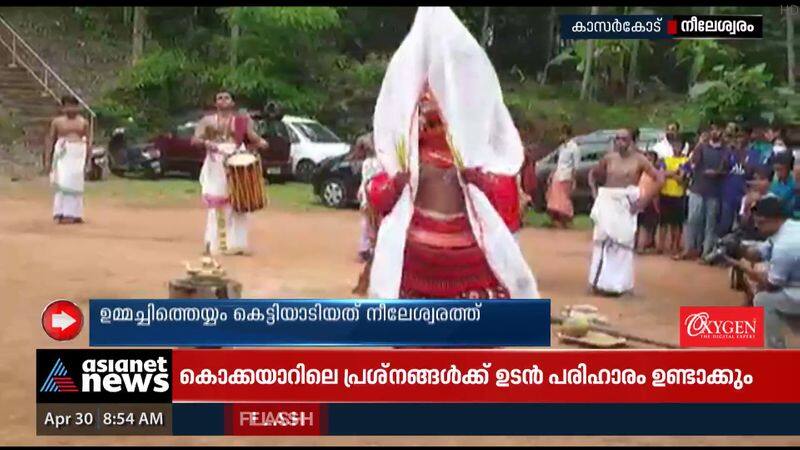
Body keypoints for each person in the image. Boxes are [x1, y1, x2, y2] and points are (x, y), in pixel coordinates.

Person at [365, 7, 539, 299]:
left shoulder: (471, 134)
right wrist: (399, 181)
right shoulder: (409, 111)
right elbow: (379, 195)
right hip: (416, 253)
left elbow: (504, 200)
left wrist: (478, 179)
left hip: (467, 250)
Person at [587, 128, 664, 296]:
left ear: (631, 141)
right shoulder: (609, 158)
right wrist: (596, 195)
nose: (620, 142)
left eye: (624, 139)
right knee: (602, 241)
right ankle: (598, 282)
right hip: (608, 201)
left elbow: (659, 179)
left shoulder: (640, 160)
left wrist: (643, 201)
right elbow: (593, 175)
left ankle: (619, 285)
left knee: (622, 244)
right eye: (617, 139)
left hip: (625, 205)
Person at [191, 90, 268, 256]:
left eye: (227, 98)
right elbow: (195, 140)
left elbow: (252, 137)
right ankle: (216, 245)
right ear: (215, 103)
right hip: (216, 164)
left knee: (240, 203)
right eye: (219, 98)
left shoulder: (242, 121)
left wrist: (261, 143)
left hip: (237, 163)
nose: (223, 100)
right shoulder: (207, 121)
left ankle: (238, 244)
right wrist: (207, 143)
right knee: (218, 204)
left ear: (233, 103)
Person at [726, 196, 800, 348]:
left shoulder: (785, 246)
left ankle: (775, 351)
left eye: (760, 222)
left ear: (774, 219)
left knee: (764, 299)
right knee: (765, 277)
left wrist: (741, 266)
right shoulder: (789, 227)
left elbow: (771, 285)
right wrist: (738, 249)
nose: (757, 226)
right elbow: (760, 253)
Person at [677, 125, 727, 263]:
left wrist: (717, 173)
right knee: (693, 220)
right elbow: (692, 163)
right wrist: (699, 144)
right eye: (713, 130)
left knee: (710, 224)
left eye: (718, 129)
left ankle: (706, 253)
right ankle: (689, 249)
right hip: (697, 189)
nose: (715, 132)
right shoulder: (701, 147)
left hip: (714, 191)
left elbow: (725, 169)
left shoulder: (725, 150)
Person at [45, 95, 92, 225]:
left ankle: (75, 213)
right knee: (64, 182)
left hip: (77, 155)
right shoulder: (57, 122)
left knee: (76, 184)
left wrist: (88, 159)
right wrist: (48, 159)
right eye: (68, 106)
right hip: (63, 154)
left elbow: (88, 142)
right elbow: (51, 140)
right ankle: (59, 213)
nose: (71, 109)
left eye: (73, 106)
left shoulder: (83, 122)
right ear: (63, 107)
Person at [657, 130, 689, 256]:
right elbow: (661, 173)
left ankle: (675, 245)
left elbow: (682, 179)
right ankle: (661, 245)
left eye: (678, 145)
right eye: (674, 145)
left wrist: (670, 174)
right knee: (663, 222)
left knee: (677, 223)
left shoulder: (686, 160)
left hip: (679, 194)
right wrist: (674, 173)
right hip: (665, 193)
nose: (676, 147)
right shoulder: (666, 160)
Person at [545, 124, 580, 228]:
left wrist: (574, 180)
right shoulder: (562, 147)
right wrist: (552, 174)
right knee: (554, 198)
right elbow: (559, 163)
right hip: (558, 174)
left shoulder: (574, 147)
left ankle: (566, 220)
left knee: (563, 199)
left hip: (566, 176)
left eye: (562, 134)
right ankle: (557, 221)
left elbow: (575, 166)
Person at [717, 132, 749, 237]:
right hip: (728, 193)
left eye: (741, 137)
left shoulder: (751, 154)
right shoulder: (729, 153)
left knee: (743, 226)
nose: (739, 140)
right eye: (737, 138)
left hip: (744, 195)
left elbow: (753, 173)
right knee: (725, 225)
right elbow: (721, 169)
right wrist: (728, 153)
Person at [636, 150, 662, 254]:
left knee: (646, 225)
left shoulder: (655, 172)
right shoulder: (640, 171)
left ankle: (643, 245)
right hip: (639, 199)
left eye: (650, 158)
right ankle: (639, 245)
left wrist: (656, 204)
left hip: (649, 200)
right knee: (640, 225)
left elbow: (657, 188)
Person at [769, 151, 797, 218]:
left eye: (779, 169)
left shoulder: (795, 182)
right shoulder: (775, 184)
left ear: (788, 168)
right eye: (775, 170)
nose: (777, 173)